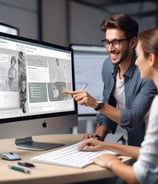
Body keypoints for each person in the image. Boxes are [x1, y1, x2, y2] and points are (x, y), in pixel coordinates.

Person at [78, 28, 158, 184]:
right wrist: (103, 144)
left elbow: (141, 177)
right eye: (107, 42)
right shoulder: (108, 67)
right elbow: (151, 154)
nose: (136, 61)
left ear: (151, 59)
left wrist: (111, 162)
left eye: (139, 55)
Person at [63, 13, 157, 146]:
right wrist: (98, 137)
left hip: (146, 149)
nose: (110, 48)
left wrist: (96, 104)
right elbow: (108, 106)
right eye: (107, 42)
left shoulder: (146, 72)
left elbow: (134, 118)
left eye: (116, 42)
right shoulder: (108, 66)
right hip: (126, 143)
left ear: (132, 42)